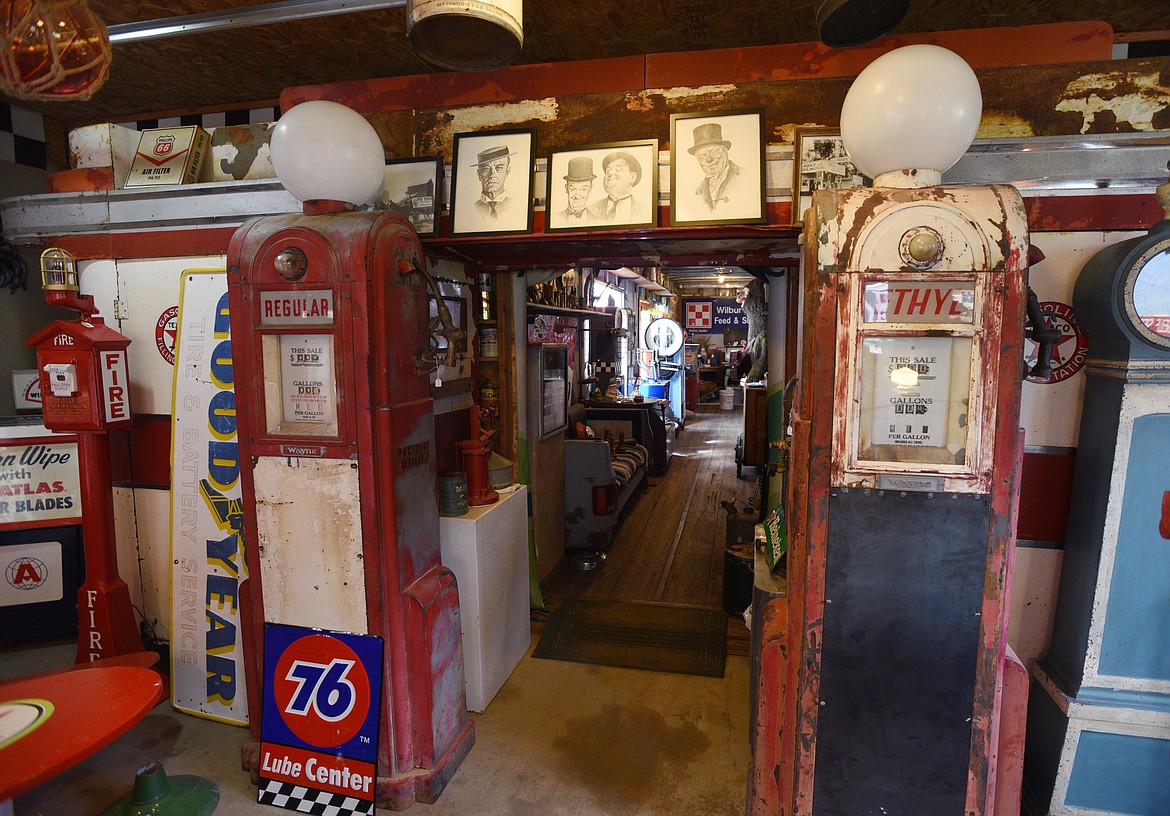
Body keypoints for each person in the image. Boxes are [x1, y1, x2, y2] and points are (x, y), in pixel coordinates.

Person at [688, 122, 744, 212]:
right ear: (698, 160)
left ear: (725, 151)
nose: (709, 159)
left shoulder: (745, 178)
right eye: (702, 156)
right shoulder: (699, 190)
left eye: (714, 151)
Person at [588, 151, 642, 222]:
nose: (610, 173)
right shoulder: (590, 210)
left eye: (618, 169)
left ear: (632, 178)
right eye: (608, 171)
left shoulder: (646, 210)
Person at [469, 145, 519, 222]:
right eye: (486, 169)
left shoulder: (517, 206)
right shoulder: (470, 209)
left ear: (507, 171)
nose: (492, 175)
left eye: (499, 168)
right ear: (479, 174)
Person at [557, 156, 595, 225]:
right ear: (566, 188)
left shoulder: (597, 221)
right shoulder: (556, 219)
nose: (577, 196)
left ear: (591, 188)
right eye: (572, 189)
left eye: (583, 189)